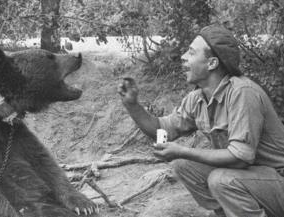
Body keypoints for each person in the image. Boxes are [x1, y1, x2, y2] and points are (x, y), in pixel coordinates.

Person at [118, 24, 284, 217]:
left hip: (277, 181)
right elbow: (161, 129)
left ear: (212, 63)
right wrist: (133, 105)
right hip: (249, 177)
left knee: (221, 180)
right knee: (182, 165)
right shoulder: (198, 98)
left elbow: (239, 159)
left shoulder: (243, 93)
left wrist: (184, 150)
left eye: (191, 52)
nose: (183, 57)